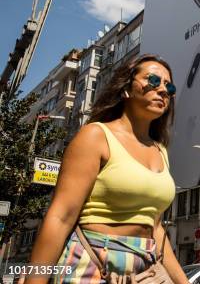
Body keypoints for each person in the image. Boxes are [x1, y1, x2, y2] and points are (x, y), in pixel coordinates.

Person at [25, 54, 188, 284]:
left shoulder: (160, 150)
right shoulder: (95, 136)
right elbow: (60, 217)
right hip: (92, 263)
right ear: (126, 89)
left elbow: (156, 228)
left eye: (168, 86)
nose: (163, 90)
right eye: (153, 80)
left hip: (145, 270)